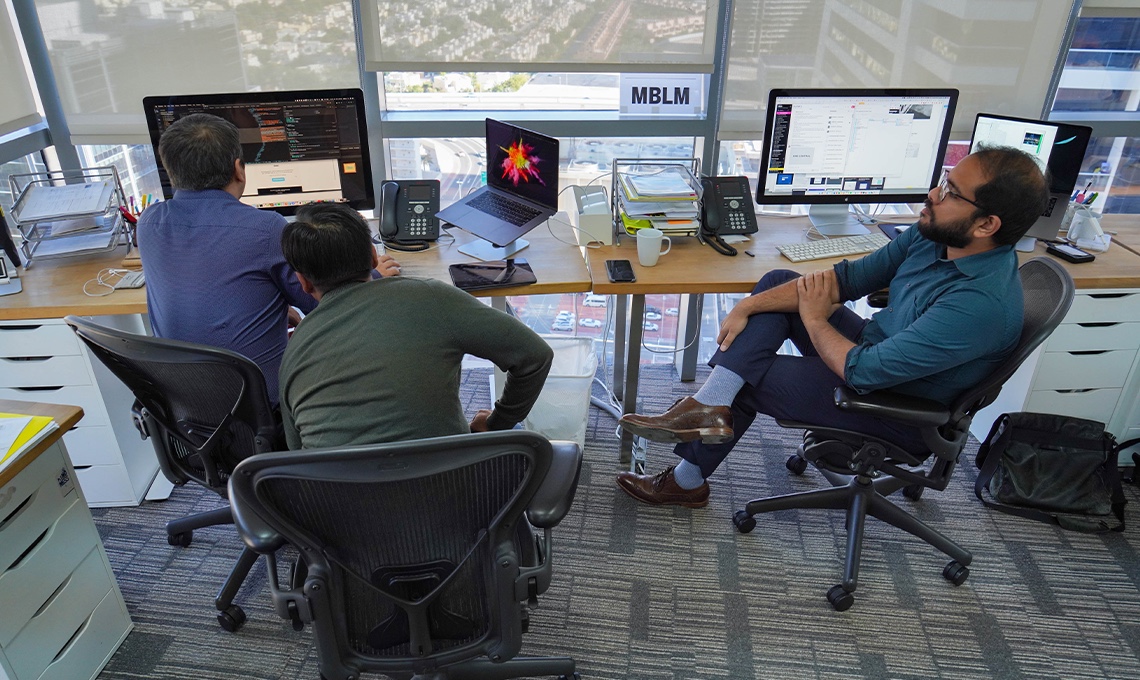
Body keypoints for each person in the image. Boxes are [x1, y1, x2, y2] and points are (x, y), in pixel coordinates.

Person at [616, 146, 1050, 508]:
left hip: (895, 403)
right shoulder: (934, 235)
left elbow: (864, 372)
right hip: (877, 352)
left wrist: (814, 316)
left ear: (986, 225)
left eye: (951, 192)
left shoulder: (979, 305)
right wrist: (749, 305)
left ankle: (687, 477)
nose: (934, 194)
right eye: (943, 180)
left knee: (746, 377)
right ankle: (707, 405)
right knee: (779, 285)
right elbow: (847, 280)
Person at [137, 113, 400, 403]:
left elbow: (207, 288)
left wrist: (266, 306)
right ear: (239, 170)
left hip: (185, 406)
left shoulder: (149, 222)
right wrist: (373, 276)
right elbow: (322, 302)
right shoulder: (264, 228)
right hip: (261, 405)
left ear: (170, 171)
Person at [277, 202, 554, 450]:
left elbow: (297, 450)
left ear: (303, 282)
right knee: (518, 435)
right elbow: (535, 356)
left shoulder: (294, 351)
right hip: (460, 492)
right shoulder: (430, 297)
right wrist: (497, 424)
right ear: (374, 258)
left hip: (336, 503)